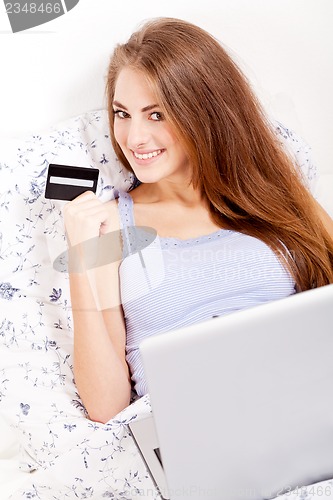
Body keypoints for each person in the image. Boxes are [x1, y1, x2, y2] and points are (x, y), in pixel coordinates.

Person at [63, 17, 333, 424]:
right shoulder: (110, 227)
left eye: (156, 115)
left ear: (203, 113)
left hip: (306, 404)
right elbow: (107, 408)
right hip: (200, 425)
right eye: (122, 113)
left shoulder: (271, 187)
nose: (134, 138)